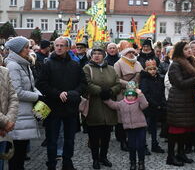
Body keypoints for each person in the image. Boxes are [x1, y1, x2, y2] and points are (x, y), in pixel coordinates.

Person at [37, 37, 87, 170]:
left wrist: (72, 93)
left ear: (68, 48)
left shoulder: (75, 65)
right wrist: (57, 93)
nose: (59, 48)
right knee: (52, 139)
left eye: (62, 45)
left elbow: (83, 84)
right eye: (56, 45)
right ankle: (51, 164)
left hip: (70, 107)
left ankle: (67, 162)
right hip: (53, 107)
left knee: (70, 139)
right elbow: (41, 84)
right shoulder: (48, 64)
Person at [4, 36, 42, 170]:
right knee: (16, 153)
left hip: (25, 113)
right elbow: (17, 92)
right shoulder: (13, 66)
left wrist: (39, 95)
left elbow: (31, 86)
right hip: (18, 114)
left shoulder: (23, 64)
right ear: (17, 49)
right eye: (26, 47)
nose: (28, 49)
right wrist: (37, 97)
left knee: (21, 152)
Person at [83, 42, 121, 169]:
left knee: (106, 135)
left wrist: (111, 92)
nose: (97, 56)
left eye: (99, 54)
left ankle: (103, 157)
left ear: (104, 55)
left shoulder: (111, 68)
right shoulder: (87, 68)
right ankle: (95, 159)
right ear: (91, 56)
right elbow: (87, 83)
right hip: (94, 105)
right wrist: (100, 91)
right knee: (94, 135)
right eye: (94, 54)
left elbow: (117, 83)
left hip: (108, 106)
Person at [166, 41, 195, 166]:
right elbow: (179, 83)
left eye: (189, 48)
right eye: (186, 49)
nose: (189, 51)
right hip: (178, 101)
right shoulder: (175, 64)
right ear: (180, 51)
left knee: (185, 130)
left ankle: (181, 153)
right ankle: (170, 156)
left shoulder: (190, 62)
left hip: (188, 100)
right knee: (175, 131)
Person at [104, 81, 148, 170]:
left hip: (140, 127)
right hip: (129, 129)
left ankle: (141, 162)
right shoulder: (122, 103)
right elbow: (113, 105)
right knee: (132, 147)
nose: (131, 97)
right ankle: (132, 162)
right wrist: (106, 99)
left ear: (135, 95)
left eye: (132, 95)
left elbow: (145, 105)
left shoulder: (138, 101)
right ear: (125, 95)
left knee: (140, 146)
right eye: (129, 95)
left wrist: (140, 94)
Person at [114, 42, 143, 152]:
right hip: (123, 93)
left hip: (135, 93)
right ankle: (123, 141)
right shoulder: (119, 63)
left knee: (134, 117)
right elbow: (116, 79)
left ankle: (132, 139)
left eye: (132, 52)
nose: (131, 54)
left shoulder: (137, 63)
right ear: (124, 53)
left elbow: (141, 75)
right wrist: (129, 84)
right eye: (128, 52)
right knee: (122, 119)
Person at [140, 59, 165, 153]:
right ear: (146, 70)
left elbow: (162, 90)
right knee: (145, 127)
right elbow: (145, 94)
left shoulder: (159, 78)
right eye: (150, 69)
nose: (152, 71)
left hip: (157, 106)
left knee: (154, 128)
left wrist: (161, 103)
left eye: (154, 69)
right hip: (148, 107)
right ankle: (144, 146)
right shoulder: (144, 79)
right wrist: (154, 103)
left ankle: (155, 144)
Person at [0, 55, 19, 170]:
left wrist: (9, 121)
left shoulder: (4, 71)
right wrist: (5, 122)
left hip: (3, 131)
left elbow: (13, 97)